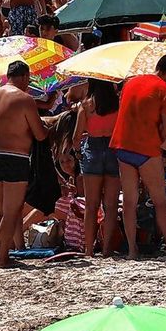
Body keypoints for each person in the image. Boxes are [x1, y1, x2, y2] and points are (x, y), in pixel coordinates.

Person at [110, 54, 166, 258]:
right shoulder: (165, 90)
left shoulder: (131, 82)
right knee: (160, 200)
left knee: (130, 202)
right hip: (146, 148)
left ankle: (132, 250)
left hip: (123, 145)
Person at [0, 61, 48, 268]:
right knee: (11, 212)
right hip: (15, 158)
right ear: (24, 77)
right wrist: (49, 127)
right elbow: (39, 134)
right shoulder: (24, 99)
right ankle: (3, 259)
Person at [71, 79, 121, 257]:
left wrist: (77, 155)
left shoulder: (86, 105)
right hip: (113, 150)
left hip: (92, 149)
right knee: (111, 205)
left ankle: (89, 249)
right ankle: (107, 249)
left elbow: (76, 137)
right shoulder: (118, 104)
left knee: (91, 205)